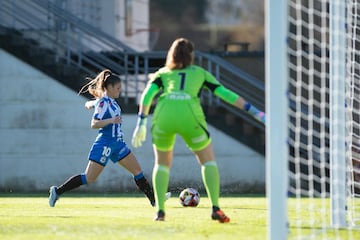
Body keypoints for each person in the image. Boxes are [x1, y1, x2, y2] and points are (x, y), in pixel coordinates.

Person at [131, 38, 266, 223]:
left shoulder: (163, 73)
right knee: (208, 162)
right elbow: (225, 93)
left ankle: (160, 212)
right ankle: (216, 208)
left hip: (164, 115)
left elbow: (147, 94)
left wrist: (141, 122)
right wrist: (254, 111)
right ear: (191, 55)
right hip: (189, 115)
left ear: (171, 54)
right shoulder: (199, 73)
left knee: (161, 165)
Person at [49, 69, 159, 207]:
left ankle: (155, 201)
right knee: (89, 178)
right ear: (110, 87)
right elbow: (94, 124)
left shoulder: (108, 101)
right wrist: (111, 120)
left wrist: (90, 104)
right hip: (105, 144)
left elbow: (96, 103)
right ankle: (57, 191)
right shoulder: (104, 103)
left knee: (137, 171)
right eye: (118, 88)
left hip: (118, 143)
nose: (120, 91)